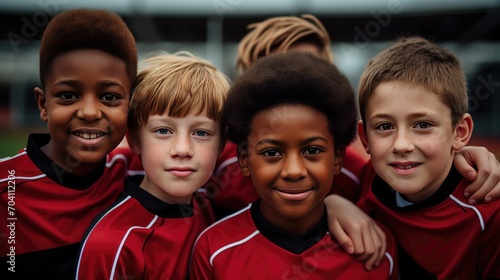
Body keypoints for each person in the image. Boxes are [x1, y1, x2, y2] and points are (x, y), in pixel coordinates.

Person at [209, 14, 500, 269]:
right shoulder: (216, 168)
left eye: (308, 73)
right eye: (274, 74)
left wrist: (335, 202)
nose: (292, 87)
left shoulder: (359, 174)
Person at [190, 51, 398, 279]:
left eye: (312, 151)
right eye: (271, 152)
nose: (294, 171)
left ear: (338, 158)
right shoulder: (213, 250)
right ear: (244, 160)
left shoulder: (376, 250)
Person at [0, 8, 137, 279]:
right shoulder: (7, 188)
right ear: (43, 105)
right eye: (68, 95)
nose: (89, 112)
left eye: (109, 97)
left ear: (131, 106)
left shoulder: (140, 176)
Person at [73, 51, 229, 279]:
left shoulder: (209, 206)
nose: (183, 149)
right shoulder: (111, 245)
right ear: (135, 141)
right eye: (163, 131)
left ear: (221, 145)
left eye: (201, 132)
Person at [355, 36, 500, 279]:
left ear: (459, 132)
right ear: (365, 138)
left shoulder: (490, 217)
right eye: (384, 126)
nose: (401, 145)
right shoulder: (363, 178)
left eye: (422, 124)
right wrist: (334, 206)